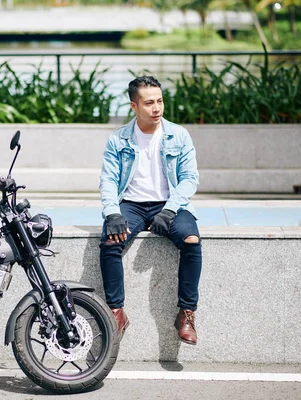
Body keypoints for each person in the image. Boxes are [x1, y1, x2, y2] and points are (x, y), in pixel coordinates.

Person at [99, 76, 202, 345]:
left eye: (159, 101)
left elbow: (190, 178)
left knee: (191, 241)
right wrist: (112, 213)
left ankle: (186, 313)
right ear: (134, 106)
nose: (156, 108)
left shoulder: (178, 135)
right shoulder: (118, 138)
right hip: (131, 205)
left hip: (170, 204)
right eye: (148, 103)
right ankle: (116, 312)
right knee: (110, 242)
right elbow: (109, 179)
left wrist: (168, 211)